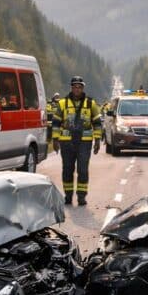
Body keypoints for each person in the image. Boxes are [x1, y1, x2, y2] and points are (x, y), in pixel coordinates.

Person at [52, 76, 102, 206]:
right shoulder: (62, 103)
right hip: (66, 141)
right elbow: (56, 123)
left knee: (83, 170)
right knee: (67, 169)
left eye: (80, 87)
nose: (77, 89)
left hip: (84, 142)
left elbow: (97, 123)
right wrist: (55, 140)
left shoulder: (91, 103)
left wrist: (97, 141)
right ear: (71, 88)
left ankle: (81, 197)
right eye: (75, 86)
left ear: (83, 88)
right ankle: (68, 196)